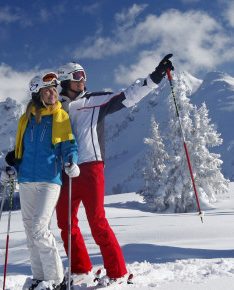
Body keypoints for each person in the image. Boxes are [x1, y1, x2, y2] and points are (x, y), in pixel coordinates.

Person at [55, 55, 175, 286]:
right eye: (77, 77)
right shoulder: (56, 109)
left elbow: (128, 95)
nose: (82, 81)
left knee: (97, 221)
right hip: (65, 171)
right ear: (65, 81)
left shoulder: (94, 100)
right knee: (65, 223)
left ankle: (117, 273)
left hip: (90, 168)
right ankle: (81, 269)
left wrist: (156, 76)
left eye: (84, 76)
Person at [1, 72, 81, 290]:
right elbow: (22, 150)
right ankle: (39, 277)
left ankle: (56, 279)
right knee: (29, 230)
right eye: (46, 90)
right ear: (37, 94)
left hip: (50, 178)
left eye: (53, 89)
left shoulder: (60, 117)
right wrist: (13, 169)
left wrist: (72, 161)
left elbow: (69, 145)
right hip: (26, 179)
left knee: (39, 228)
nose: (52, 93)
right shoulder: (25, 120)